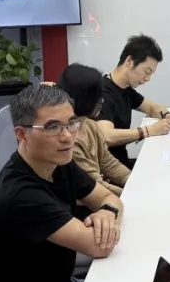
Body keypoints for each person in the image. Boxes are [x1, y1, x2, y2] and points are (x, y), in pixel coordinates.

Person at [0, 84, 123, 282]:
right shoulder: (20, 194)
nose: (67, 135)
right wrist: (105, 218)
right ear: (22, 134)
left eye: (72, 123)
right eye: (52, 127)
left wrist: (106, 213)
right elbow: (98, 247)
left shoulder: (58, 162)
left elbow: (110, 199)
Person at [97, 35, 170, 169]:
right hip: (109, 170)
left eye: (151, 74)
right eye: (147, 72)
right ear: (129, 61)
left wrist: (168, 115)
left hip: (121, 164)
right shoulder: (102, 93)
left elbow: (151, 107)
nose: (147, 79)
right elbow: (106, 136)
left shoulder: (125, 89)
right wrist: (149, 130)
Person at [56, 63, 131, 198]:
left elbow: (109, 164)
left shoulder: (91, 126)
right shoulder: (69, 139)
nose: (102, 101)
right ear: (82, 98)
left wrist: (133, 180)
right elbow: (94, 186)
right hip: (87, 201)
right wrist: (133, 194)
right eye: (97, 96)